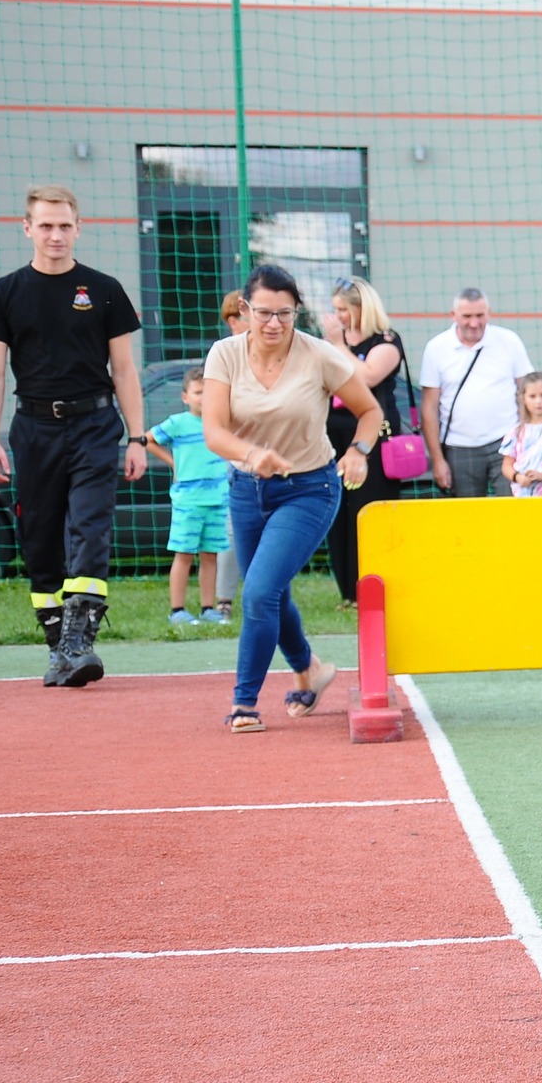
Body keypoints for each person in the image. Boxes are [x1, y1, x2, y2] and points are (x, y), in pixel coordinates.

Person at [0, 185, 148, 687]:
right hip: (33, 429)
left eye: (65, 225)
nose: (56, 235)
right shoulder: (4, 293)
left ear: (79, 228)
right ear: (27, 228)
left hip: (95, 425)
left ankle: (79, 641)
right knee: (41, 539)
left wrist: (137, 438)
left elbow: (124, 370)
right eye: (46, 225)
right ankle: (58, 647)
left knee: (90, 527)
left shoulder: (105, 289)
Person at [202, 265, 383, 735]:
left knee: (259, 591)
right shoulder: (224, 354)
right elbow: (214, 432)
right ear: (245, 309)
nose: (274, 323)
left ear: (296, 311)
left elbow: (370, 410)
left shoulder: (319, 354)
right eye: (264, 313)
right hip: (246, 489)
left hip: (308, 488)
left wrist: (358, 451)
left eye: (285, 313)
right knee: (271, 589)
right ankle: (309, 668)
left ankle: (244, 702)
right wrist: (251, 455)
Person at [321, 277, 405, 607]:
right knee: (338, 514)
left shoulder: (385, 341)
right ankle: (347, 592)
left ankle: (371, 586)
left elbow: (367, 376)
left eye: (343, 309)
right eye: (335, 309)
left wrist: (338, 346)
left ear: (361, 308)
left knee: (366, 511)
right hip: (334, 435)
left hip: (373, 438)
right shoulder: (332, 340)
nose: (338, 316)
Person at [420, 288, 534, 497]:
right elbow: (429, 408)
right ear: (453, 315)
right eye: (467, 316)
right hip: (459, 447)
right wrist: (437, 460)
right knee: (468, 512)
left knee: (512, 508)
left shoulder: (509, 341)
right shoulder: (435, 348)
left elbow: (527, 392)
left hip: (507, 442)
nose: (474, 323)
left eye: (480, 315)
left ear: (489, 313)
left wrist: (525, 440)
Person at [145, 366, 231, 627]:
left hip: (218, 500)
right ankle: (177, 610)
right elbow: (148, 440)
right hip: (188, 501)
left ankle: (208, 609)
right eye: (198, 392)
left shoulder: (223, 421)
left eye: (209, 392)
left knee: (210, 555)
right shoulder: (177, 423)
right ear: (185, 397)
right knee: (184, 555)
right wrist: (174, 463)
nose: (204, 397)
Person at [214, 292, 249, 615]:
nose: (234, 326)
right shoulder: (225, 354)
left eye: (237, 319)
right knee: (231, 527)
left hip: (275, 452)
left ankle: (265, 592)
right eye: (231, 321)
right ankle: (224, 599)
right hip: (236, 455)